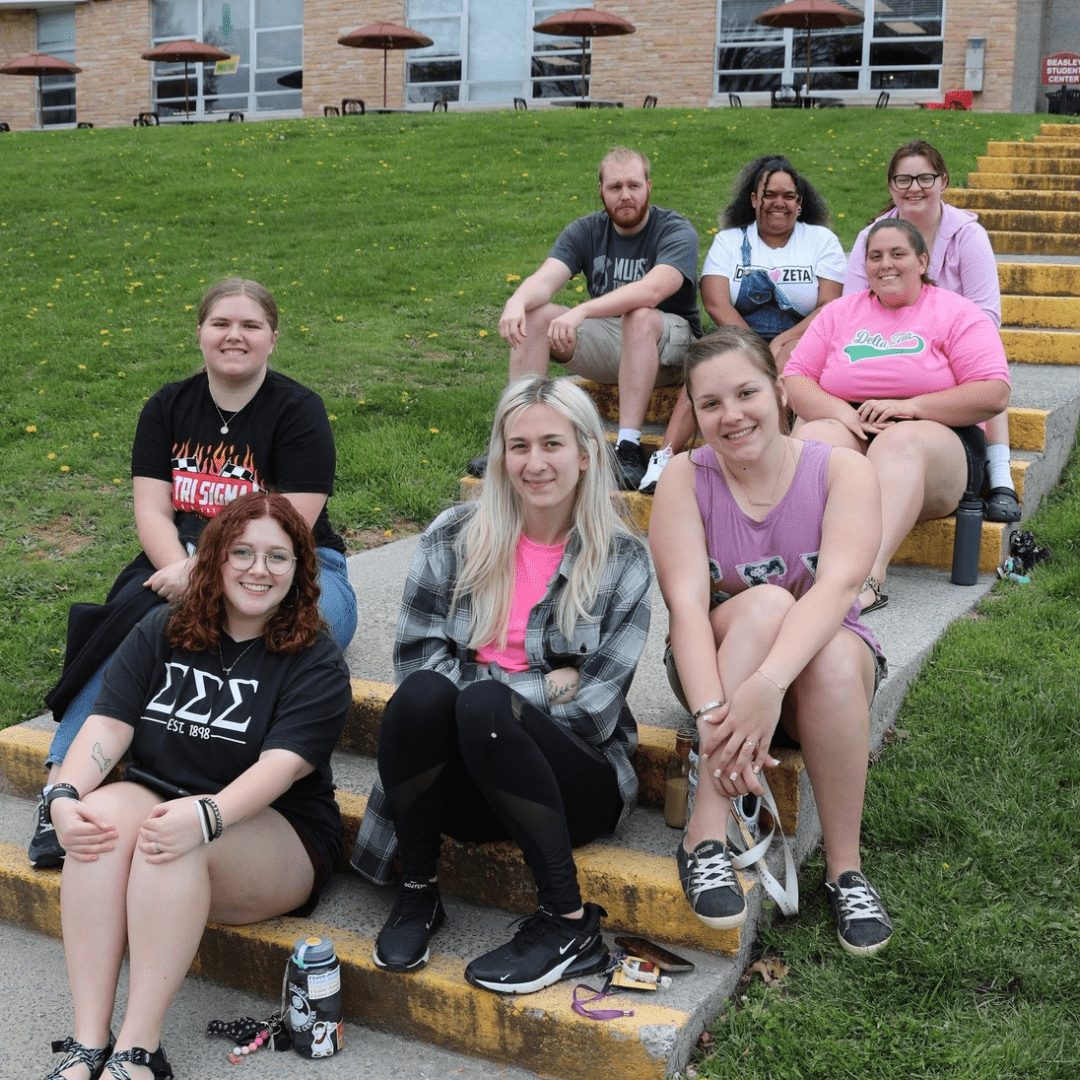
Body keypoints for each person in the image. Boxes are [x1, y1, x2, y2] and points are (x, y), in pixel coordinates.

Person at [30, 279, 357, 870]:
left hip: (294, 563)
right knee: (133, 628)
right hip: (174, 557)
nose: (235, 335)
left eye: (251, 325)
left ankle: (226, 775)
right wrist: (188, 569)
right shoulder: (167, 406)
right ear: (200, 333)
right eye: (221, 323)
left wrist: (212, 575)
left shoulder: (297, 410)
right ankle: (62, 789)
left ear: (273, 338)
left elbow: (294, 526)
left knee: (313, 625)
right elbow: (151, 510)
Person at [352, 376, 651, 994]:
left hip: (574, 783)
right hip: (470, 776)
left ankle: (568, 923)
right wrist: (545, 684)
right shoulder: (453, 535)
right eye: (518, 447)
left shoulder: (622, 559)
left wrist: (498, 698)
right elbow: (416, 664)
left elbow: (595, 710)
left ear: (587, 453)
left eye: (552, 444)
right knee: (425, 700)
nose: (534, 463)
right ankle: (418, 894)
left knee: (483, 703)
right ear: (499, 453)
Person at [42, 493, 351, 1080]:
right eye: (242, 552)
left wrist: (204, 816)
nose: (258, 570)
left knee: (172, 842)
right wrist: (63, 795)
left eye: (277, 557)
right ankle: (88, 1042)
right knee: (96, 824)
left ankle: (138, 1052)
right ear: (213, 557)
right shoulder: (163, 629)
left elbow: (279, 770)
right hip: (163, 795)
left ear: (300, 569)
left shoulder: (315, 659)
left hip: (275, 833)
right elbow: (107, 724)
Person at [649, 326, 892, 956]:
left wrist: (769, 685)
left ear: (780, 391)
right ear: (695, 414)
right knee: (764, 606)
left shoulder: (843, 472)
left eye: (746, 393)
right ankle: (705, 836)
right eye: (710, 404)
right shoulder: (684, 477)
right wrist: (710, 712)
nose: (731, 416)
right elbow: (686, 608)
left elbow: (840, 589)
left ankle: (846, 871)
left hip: (810, 679)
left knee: (836, 652)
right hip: (717, 673)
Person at [785, 219, 1012, 613]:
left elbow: (994, 392)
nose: (885, 264)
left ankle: (866, 579)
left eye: (897, 254)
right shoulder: (839, 313)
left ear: (922, 261)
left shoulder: (957, 313)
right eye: (875, 256)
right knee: (815, 438)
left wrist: (912, 407)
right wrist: (842, 413)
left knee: (898, 441)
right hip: (857, 423)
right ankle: (796, 567)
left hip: (938, 440)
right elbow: (796, 379)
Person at [469, 146, 702, 490]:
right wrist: (516, 301)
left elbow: (652, 291)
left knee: (639, 315)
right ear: (601, 192)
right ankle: (515, 438)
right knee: (536, 317)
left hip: (671, 346)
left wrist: (582, 311)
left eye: (634, 186)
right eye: (615, 187)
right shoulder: (586, 231)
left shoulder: (674, 229)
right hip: (618, 342)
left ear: (649, 187)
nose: (625, 195)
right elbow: (546, 279)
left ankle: (627, 447)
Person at [639, 155, 845, 494]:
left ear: (799, 202)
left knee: (786, 360)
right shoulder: (731, 241)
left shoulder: (820, 240)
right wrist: (751, 344)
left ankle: (776, 457)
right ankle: (664, 458)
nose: (779, 202)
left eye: (789, 196)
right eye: (769, 194)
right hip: (737, 332)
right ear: (753, 199)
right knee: (709, 365)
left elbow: (829, 304)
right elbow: (716, 299)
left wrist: (782, 339)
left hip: (803, 334)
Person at [844, 139, 1020, 524]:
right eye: (903, 179)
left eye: (925, 177)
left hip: (954, 347)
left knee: (988, 367)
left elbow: (986, 315)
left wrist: (939, 342)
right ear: (891, 186)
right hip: (889, 344)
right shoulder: (871, 237)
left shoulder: (967, 236)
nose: (914, 187)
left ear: (943, 181)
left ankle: (1001, 476)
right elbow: (850, 311)